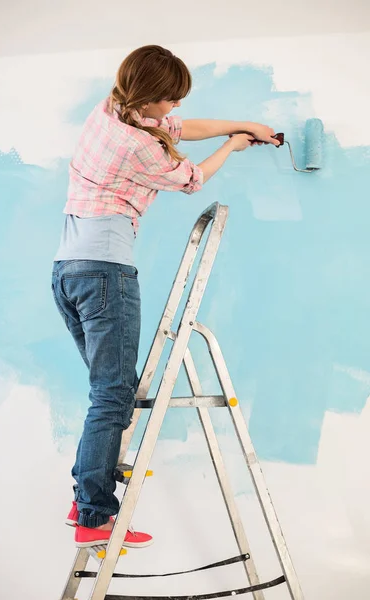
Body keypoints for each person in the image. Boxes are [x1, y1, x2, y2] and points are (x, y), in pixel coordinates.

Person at [51, 44, 280, 549]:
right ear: (151, 96)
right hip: (105, 272)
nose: (174, 109)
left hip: (68, 271)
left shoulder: (111, 110)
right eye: (170, 100)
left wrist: (239, 126)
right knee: (113, 396)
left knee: (108, 393)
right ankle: (94, 516)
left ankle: (83, 499)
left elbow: (180, 129)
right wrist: (233, 149)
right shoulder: (137, 146)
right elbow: (192, 179)